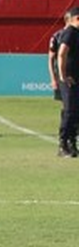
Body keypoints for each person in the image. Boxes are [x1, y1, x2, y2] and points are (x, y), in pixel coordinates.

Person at [56, 8, 79, 158]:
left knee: (76, 111)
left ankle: (72, 142)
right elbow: (61, 53)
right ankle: (63, 143)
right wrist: (63, 76)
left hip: (76, 77)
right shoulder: (70, 32)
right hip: (69, 78)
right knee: (70, 110)